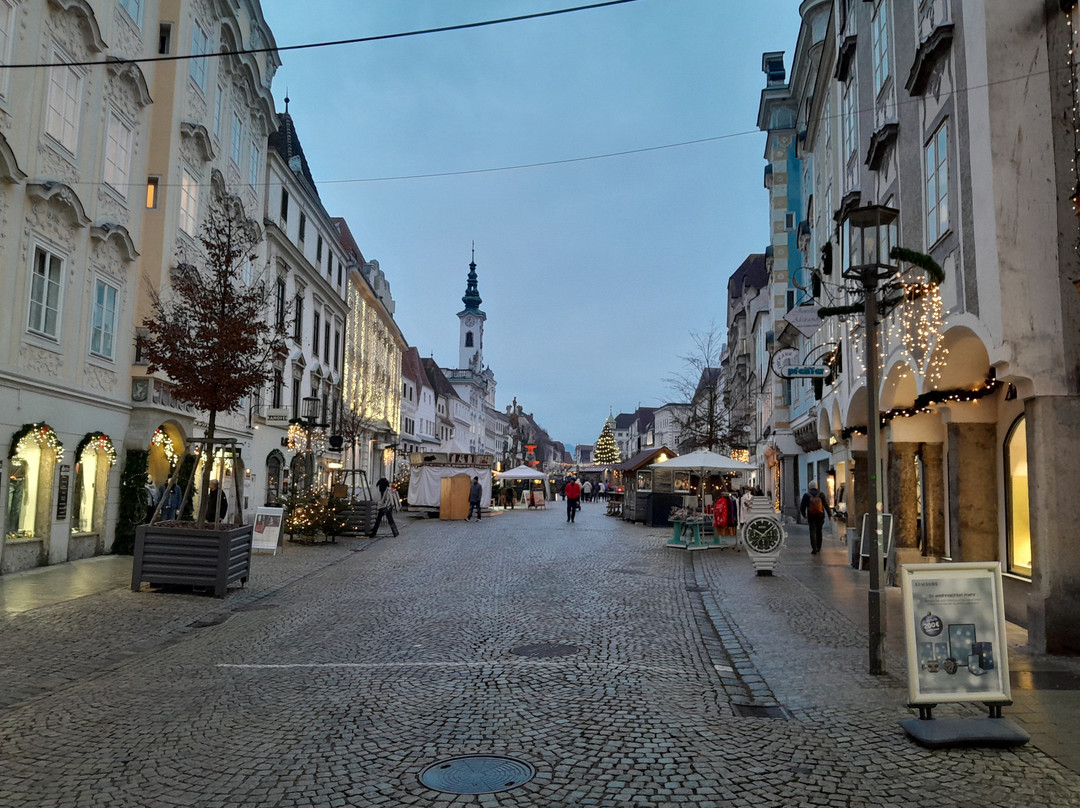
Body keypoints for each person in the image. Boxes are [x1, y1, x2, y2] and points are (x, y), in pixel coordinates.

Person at [800, 479, 830, 554]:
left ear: (809, 487)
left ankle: (814, 548)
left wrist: (804, 515)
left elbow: (802, 506)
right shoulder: (821, 494)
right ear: (817, 486)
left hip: (811, 515)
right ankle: (819, 547)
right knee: (819, 531)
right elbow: (826, 505)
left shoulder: (806, 495)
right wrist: (830, 515)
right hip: (820, 515)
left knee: (812, 531)